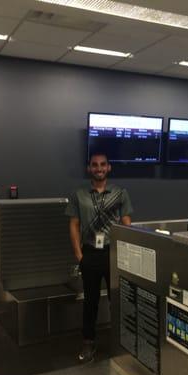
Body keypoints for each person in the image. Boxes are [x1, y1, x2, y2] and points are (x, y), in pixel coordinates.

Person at [66, 153, 133, 362]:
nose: (99, 168)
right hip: (90, 255)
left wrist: (125, 251)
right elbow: (74, 225)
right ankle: (88, 343)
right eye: (94, 165)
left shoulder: (120, 193)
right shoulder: (79, 195)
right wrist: (79, 256)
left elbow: (127, 224)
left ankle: (122, 342)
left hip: (113, 253)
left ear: (109, 168)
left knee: (118, 300)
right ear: (89, 169)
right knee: (91, 302)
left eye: (103, 164)